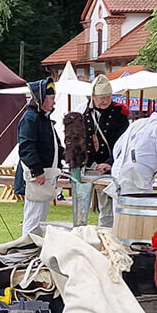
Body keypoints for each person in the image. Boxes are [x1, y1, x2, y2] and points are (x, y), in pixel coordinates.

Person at [64, 76, 127, 226]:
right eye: (101, 98)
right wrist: (75, 163)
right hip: (86, 165)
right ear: (93, 97)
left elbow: (124, 144)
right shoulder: (81, 111)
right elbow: (73, 140)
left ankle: (107, 236)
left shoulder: (120, 115)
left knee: (108, 208)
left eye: (108, 97)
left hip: (109, 167)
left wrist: (110, 163)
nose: (105, 101)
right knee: (80, 208)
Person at [110, 102, 157, 198]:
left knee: (119, 212)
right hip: (138, 179)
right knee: (137, 212)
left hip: (118, 174)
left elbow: (117, 149)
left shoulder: (137, 123)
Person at [14, 79, 58, 236]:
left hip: (44, 175)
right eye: (51, 98)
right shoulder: (30, 118)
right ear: (42, 98)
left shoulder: (42, 118)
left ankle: (34, 248)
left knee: (40, 218)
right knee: (33, 218)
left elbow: (53, 145)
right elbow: (26, 147)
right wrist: (37, 170)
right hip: (36, 177)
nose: (54, 102)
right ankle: (27, 248)